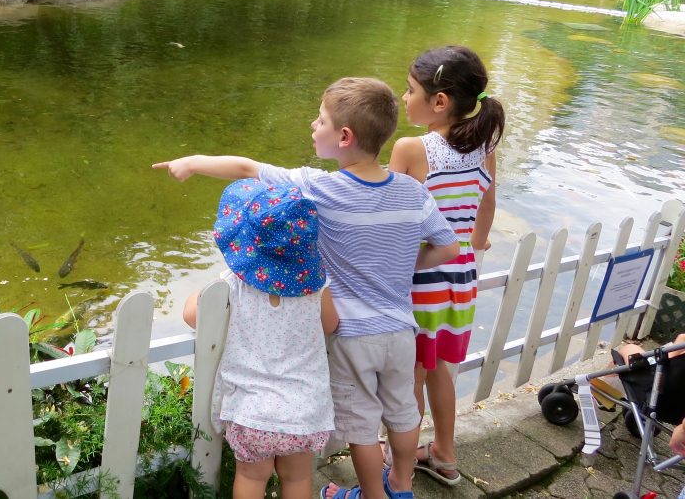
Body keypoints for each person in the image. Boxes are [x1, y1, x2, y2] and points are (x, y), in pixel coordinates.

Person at [155, 76, 460, 499]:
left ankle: (372, 495)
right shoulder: (412, 192)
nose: (313, 127)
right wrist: (406, 264)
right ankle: (402, 486)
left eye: (320, 121)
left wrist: (193, 161)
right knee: (404, 414)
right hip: (400, 329)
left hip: (353, 335)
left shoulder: (319, 188)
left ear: (344, 136)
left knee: (363, 427)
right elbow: (449, 247)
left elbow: (246, 168)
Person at [388, 45, 505, 486]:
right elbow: (487, 204)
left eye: (410, 89)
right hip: (460, 279)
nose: (403, 97)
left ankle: (401, 461)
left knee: (411, 377)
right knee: (439, 371)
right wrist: (477, 242)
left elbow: (394, 219)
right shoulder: (484, 146)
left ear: (439, 101)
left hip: (422, 277)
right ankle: (445, 453)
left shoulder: (412, 148)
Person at [181, 179, 338, 499]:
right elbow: (332, 325)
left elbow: (192, 314)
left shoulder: (233, 284)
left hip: (251, 412)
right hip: (304, 410)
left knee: (252, 478)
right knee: (296, 480)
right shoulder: (315, 289)